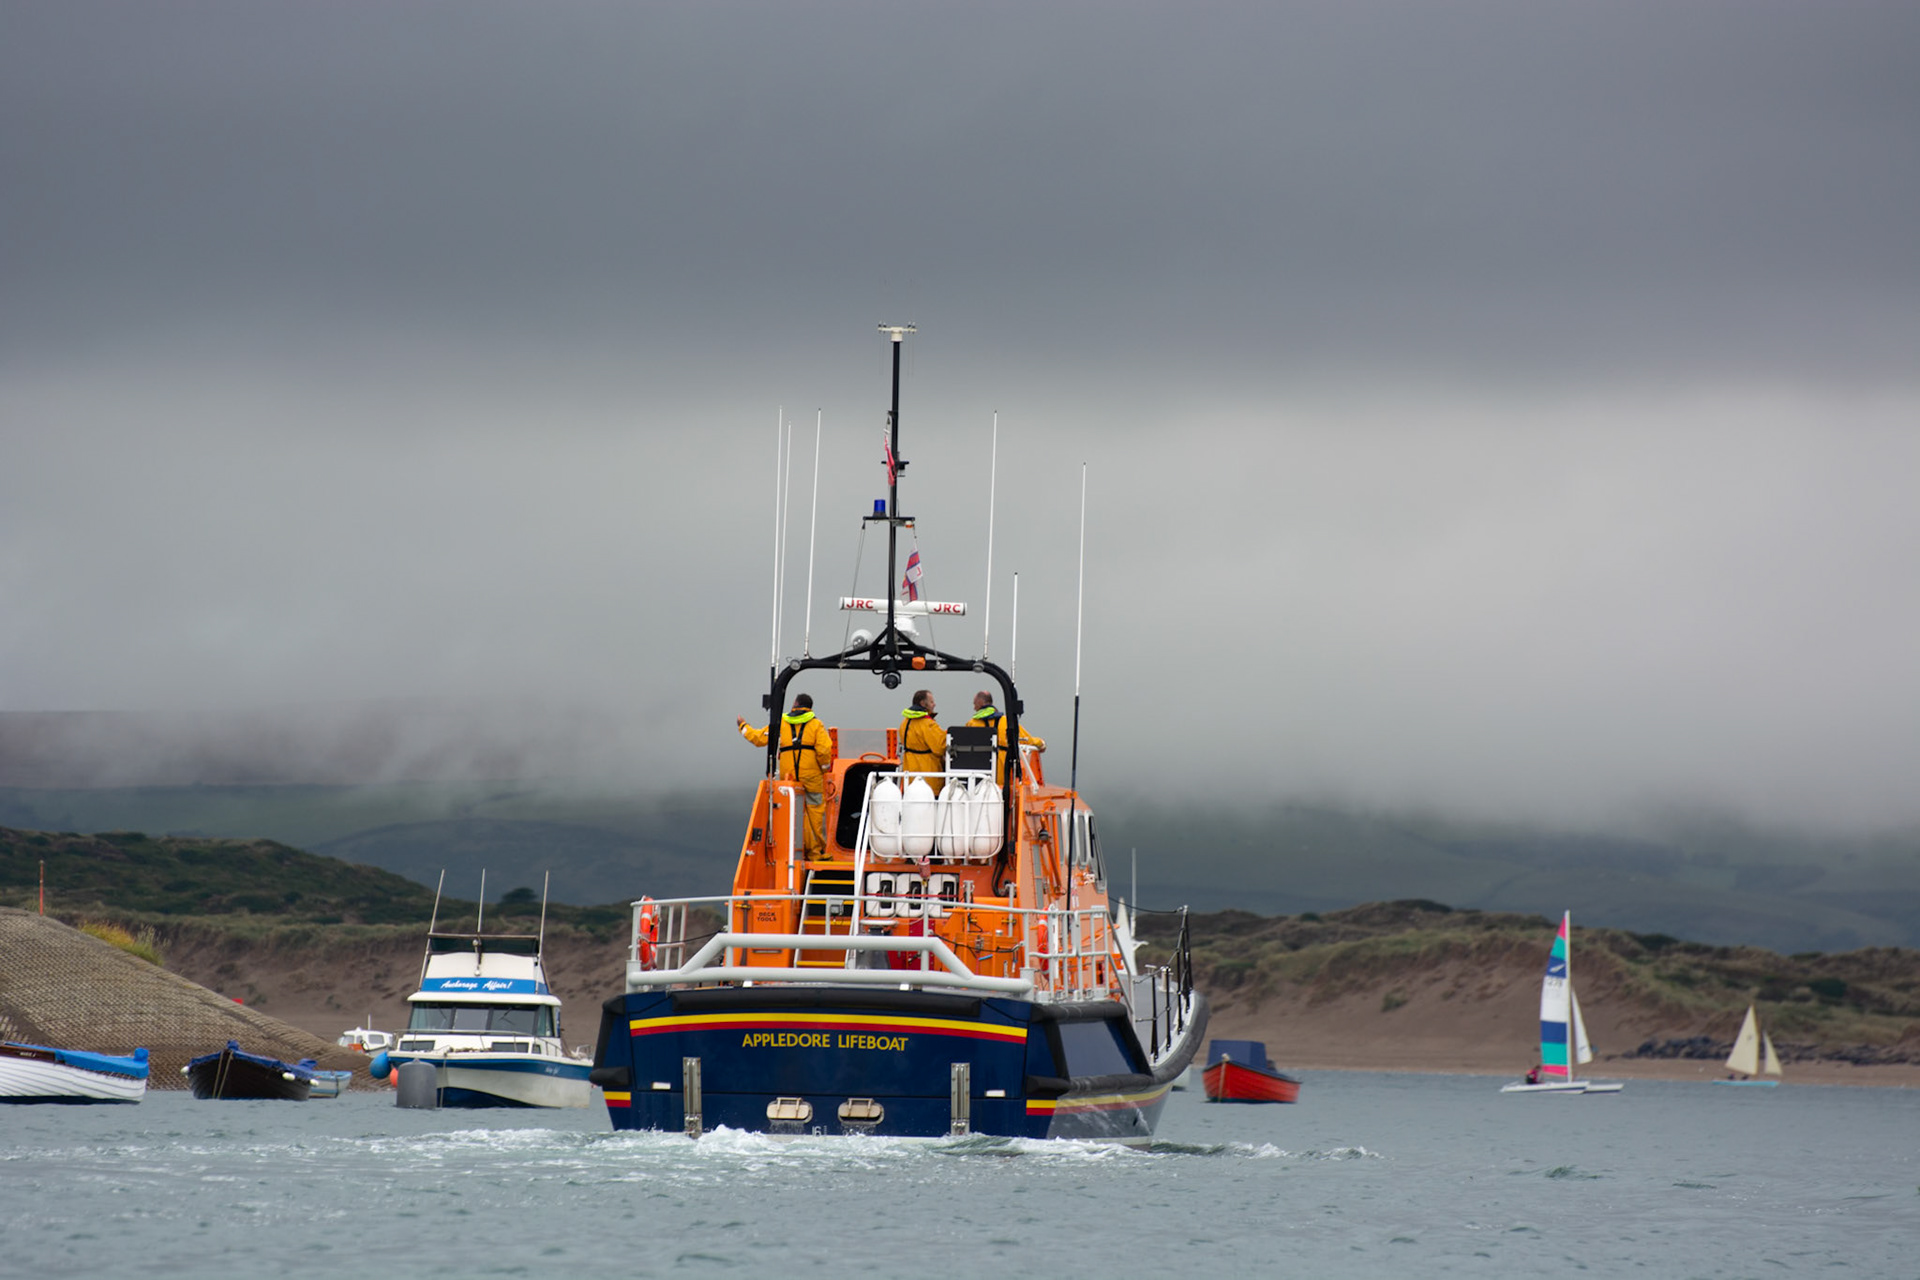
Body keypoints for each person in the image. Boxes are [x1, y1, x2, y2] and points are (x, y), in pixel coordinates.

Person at [738, 693, 835, 856]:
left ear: (795, 704)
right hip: (812, 776)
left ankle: (792, 850)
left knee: (791, 812)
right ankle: (816, 852)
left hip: (788, 777)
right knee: (815, 812)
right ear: (809, 707)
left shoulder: (781, 724)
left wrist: (743, 726)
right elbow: (824, 750)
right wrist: (824, 768)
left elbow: (758, 739)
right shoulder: (816, 725)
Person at [967, 690, 1045, 786]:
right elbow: (1027, 740)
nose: (974, 708)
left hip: (979, 771)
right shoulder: (1007, 722)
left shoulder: (972, 724)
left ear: (981, 703)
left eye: (975, 704)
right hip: (1003, 771)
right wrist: (1041, 743)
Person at [898, 689, 947, 795]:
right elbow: (940, 748)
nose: (934, 704)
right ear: (923, 704)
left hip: (909, 776)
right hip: (929, 778)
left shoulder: (905, 722)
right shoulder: (928, 724)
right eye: (931, 702)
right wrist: (946, 736)